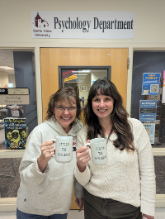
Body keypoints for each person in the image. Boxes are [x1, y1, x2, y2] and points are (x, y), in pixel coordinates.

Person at [75, 78, 156, 219]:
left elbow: (148, 173)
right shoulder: (84, 134)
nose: (101, 104)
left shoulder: (134, 128)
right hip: (93, 205)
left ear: (115, 102)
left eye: (107, 99)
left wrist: (148, 212)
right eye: (96, 99)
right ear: (90, 104)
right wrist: (81, 165)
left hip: (127, 208)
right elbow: (84, 180)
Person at [16, 86, 84, 219]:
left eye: (71, 107)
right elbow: (25, 176)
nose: (66, 112)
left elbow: (78, 166)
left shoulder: (79, 132)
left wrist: (79, 193)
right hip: (32, 208)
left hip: (60, 207)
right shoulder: (40, 132)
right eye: (61, 107)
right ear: (53, 109)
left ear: (77, 109)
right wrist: (42, 160)